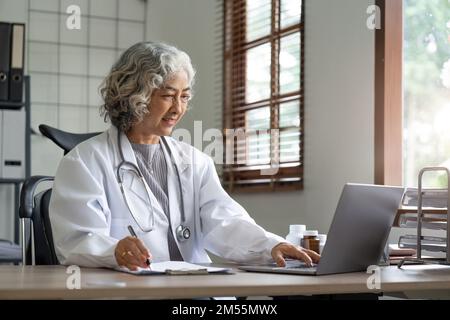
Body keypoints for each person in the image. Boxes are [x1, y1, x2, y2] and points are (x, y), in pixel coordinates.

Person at [49, 41, 320, 270]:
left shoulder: (195, 161)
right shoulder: (84, 162)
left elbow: (224, 221)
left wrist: (272, 245)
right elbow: (76, 240)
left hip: (193, 291)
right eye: (168, 95)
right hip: (129, 292)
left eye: (185, 97)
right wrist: (114, 250)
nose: (178, 108)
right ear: (134, 96)